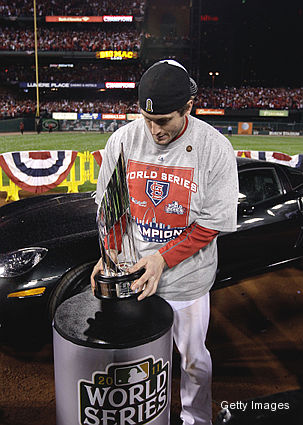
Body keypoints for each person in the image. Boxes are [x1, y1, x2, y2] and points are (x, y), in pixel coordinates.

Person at [91, 60, 239, 425]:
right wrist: (109, 255)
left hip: (187, 278)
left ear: (188, 107)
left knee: (192, 359)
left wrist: (162, 259)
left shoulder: (214, 147)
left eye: (163, 121)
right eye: (147, 119)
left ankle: (197, 418)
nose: (154, 130)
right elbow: (112, 208)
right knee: (133, 360)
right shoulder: (123, 140)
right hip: (132, 272)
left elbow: (210, 225)